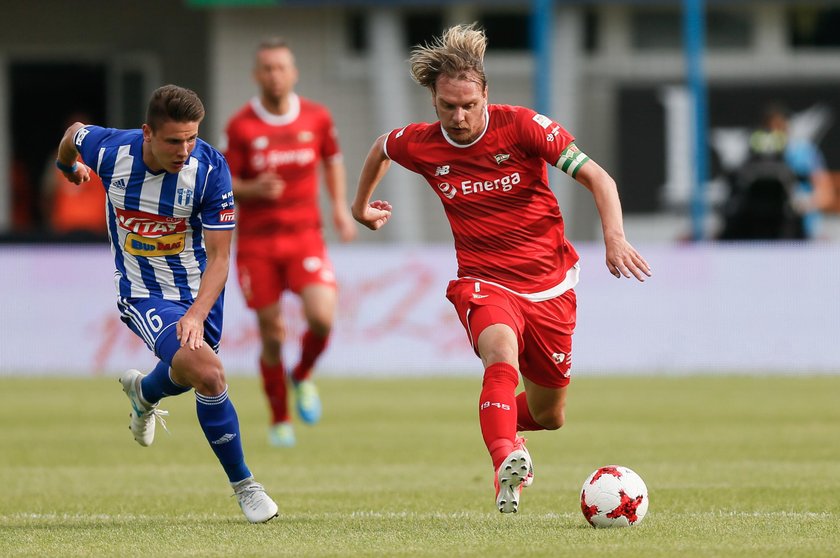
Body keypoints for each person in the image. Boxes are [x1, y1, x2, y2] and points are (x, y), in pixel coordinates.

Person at [352, 24, 651, 514]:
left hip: (550, 285)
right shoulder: (422, 143)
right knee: (500, 355)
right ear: (433, 100)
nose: (460, 115)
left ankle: (508, 430)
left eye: (469, 104)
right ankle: (506, 460)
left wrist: (613, 236)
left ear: (486, 94)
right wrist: (360, 208)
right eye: (448, 105)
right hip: (484, 282)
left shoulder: (524, 126)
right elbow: (382, 147)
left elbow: (598, 176)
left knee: (548, 414)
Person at [55, 84, 278, 523]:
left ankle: (144, 391)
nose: (184, 149)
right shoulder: (111, 152)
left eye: (192, 138)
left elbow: (220, 256)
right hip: (142, 290)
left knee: (186, 373)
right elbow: (73, 134)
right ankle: (247, 487)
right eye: (174, 140)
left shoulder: (211, 169)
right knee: (210, 375)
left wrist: (196, 313)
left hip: (198, 291)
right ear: (147, 134)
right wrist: (68, 169)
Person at [223, 38, 356, 447]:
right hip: (258, 243)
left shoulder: (316, 117)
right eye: (266, 68)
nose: (274, 75)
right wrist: (251, 188)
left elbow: (332, 160)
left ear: (293, 72)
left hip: (304, 237)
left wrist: (338, 207)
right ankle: (280, 418)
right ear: (256, 75)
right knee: (273, 334)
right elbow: (225, 184)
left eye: (281, 67)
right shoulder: (242, 125)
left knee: (322, 317)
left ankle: (302, 374)